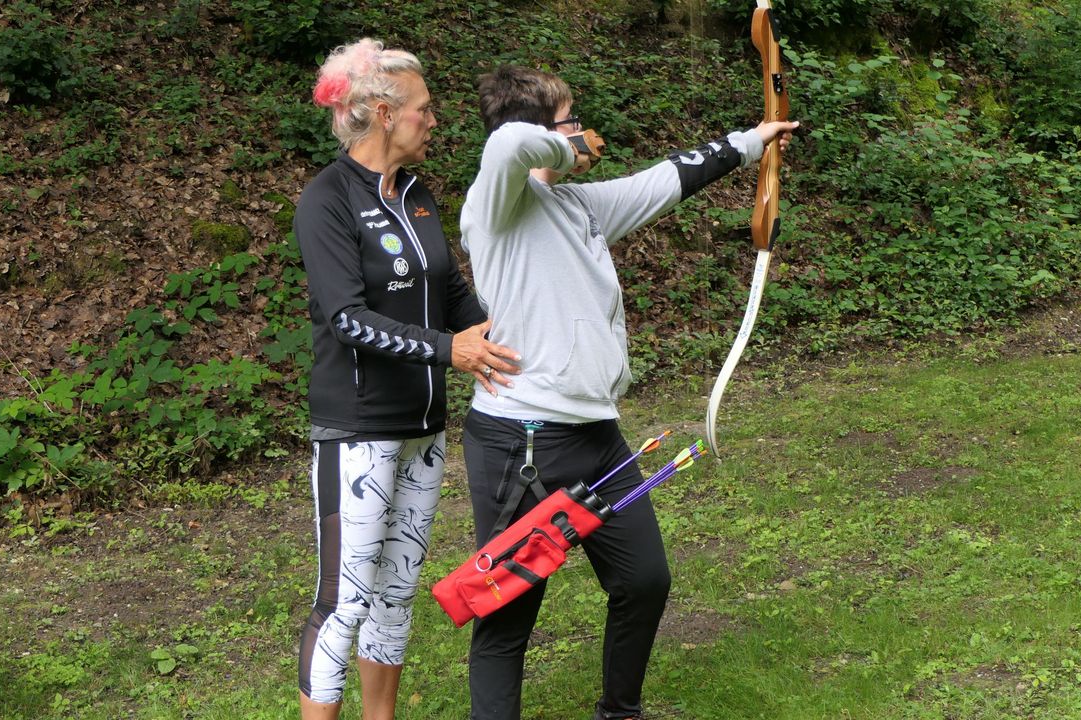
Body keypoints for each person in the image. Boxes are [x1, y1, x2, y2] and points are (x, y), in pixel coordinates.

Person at [458, 65, 797, 720]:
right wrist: (569, 144)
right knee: (507, 614)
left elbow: (664, 180)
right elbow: (506, 146)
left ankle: (620, 711)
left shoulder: (577, 207)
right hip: (522, 444)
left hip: (597, 440)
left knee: (644, 580)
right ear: (542, 130)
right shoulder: (497, 205)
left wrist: (754, 140)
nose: (585, 131)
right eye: (570, 118)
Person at [292, 39, 521, 720]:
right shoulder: (326, 200)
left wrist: (498, 338)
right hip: (357, 429)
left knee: (396, 593)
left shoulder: (418, 195)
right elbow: (347, 320)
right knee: (345, 598)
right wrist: (451, 351)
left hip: (424, 430)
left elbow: (449, 290)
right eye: (423, 108)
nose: (433, 119)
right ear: (385, 113)